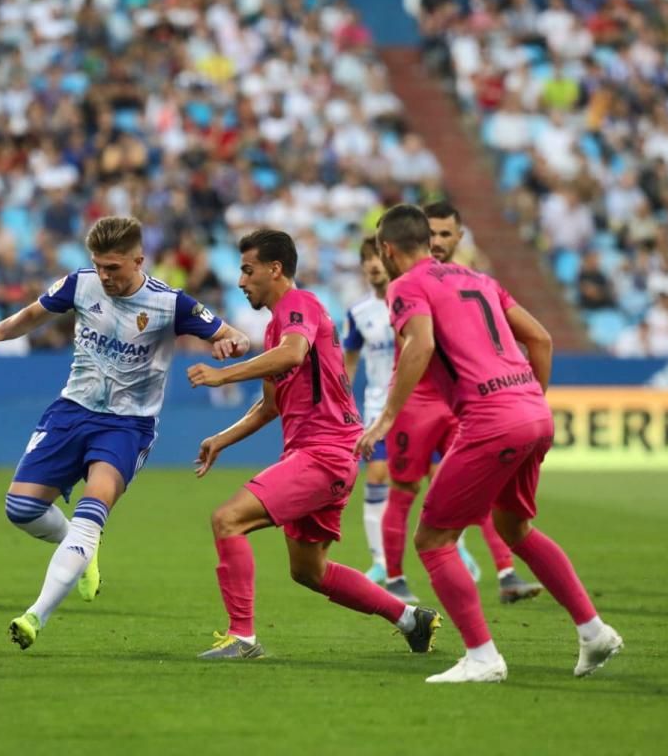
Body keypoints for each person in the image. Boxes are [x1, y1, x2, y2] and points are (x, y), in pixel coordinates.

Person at [357, 204, 622, 683]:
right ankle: (593, 630)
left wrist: (387, 415)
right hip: (534, 412)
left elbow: (421, 344)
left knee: (434, 540)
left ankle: (482, 657)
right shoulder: (479, 279)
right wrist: (528, 403)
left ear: (388, 249)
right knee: (514, 527)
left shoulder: (404, 286)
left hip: (489, 417)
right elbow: (540, 339)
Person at [0, 216, 250, 650]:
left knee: (92, 504)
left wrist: (230, 344)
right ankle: (85, 546)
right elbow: (34, 314)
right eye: (99, 265)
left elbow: (232, 334)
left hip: (127, 425)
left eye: (114, 268)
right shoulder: (80, 284)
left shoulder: (170, 304)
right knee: (20, 509)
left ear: (139, 260)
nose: (105, 275)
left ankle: (34, 616)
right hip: (71, 412)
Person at [186, 229, 440, 660]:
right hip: (326, 455)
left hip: (323, 453)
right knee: (309, 570)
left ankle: (242, 637)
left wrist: (223, 375)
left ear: (275, 269)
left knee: (227, 520)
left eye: (248, 271)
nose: (241, 281)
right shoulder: (276, 330)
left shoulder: (299, 307)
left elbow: (292, 355)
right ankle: (411, 619)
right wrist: (221, 439)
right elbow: (269, 408)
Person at [374, 202, 543, 604]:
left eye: (444, 235)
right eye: (429, 234)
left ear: (458, 238)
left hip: (469, 403)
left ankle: (506, 574)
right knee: (404, 488)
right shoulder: (410, 284)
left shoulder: (473, 282)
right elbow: (420, 344)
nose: (435, 242)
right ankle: (396, 580)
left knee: (481, 490)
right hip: (416, 401)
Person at [340, 237, 395, 584]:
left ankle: (458, 548)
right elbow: (349, 363)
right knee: (377, 475)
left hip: (421, 406)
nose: (373, 264)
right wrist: (342, 403)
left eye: (378, 256)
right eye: (366, 259)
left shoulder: (413, 302)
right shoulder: (358, 313)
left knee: (438, 480)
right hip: (378, 408)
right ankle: (381, 562)